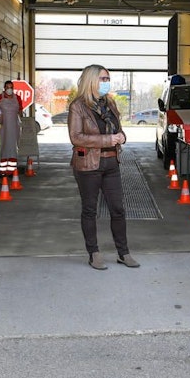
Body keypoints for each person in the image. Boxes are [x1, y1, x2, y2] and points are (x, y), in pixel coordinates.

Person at [68, 64, 139, 270]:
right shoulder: (78, 106)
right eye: (102, 79)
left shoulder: (110, 103)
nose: (106, 83)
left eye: (108, 79)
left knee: (118, 209)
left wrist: (122, 137)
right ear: (91, 80)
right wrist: (109, 139)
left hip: (111, 163)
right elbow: (76, 137)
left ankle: (123, 253)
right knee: (90, 210)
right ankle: (94, 253)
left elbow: (118, 130)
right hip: (88, 164)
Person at [0, 80, 23, 176]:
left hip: (14, 126)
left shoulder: (18, 98)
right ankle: (2, 170)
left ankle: (12, 170)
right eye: (7, 87)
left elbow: (20, 112)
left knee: (13, 147)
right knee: (2, 146)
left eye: (11, 87)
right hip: (2, 127)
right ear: (4, 88)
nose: (9, 89)